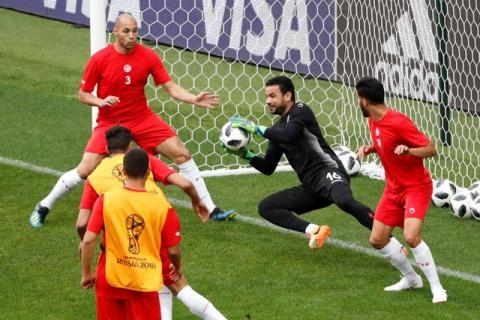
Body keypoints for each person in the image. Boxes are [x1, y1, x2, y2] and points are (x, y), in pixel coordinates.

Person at [30, 12, 235, 228]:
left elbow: (170, 87)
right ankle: (44, 206)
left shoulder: (148, 56)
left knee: (182, 154)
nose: (132, 35)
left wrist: (193, 98)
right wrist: (99, 102)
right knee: (84, 170)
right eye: (126, 31)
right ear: (115, 32)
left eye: (135, 30)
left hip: (142, 117)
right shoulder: (99, 59)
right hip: (111, 123)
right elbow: (83, 94)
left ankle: (211, 209)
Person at [78, 126, 227, 319]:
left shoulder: (95, 178)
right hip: (155, 232)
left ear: (106, 149)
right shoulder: (145, 161)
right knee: (178, 286)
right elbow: (185, 183)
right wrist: (197, 201)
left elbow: (82, 224)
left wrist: (87, 248)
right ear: (130, 146)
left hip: (118, 250)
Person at [224, 76, 375, 249]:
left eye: (272, 96)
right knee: (267, 207)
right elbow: (268, 167)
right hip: (311, 186)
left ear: (288, 96)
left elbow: (289, 134)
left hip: (328, 172)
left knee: (345, 201)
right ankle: (313, 230)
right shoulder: (276, 130)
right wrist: (246, 155)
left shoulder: (301, 111)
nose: (267, 101)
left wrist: (255, 127)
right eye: (266, 96)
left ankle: (386, 237)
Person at [355, 76, 447, 304]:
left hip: (416, 187)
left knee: (411, 236)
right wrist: (372, 149)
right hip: (393, 189)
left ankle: (438, 288)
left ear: (364, 101)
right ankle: (411, 278)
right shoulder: (373, 121)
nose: (358, 102)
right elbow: (388, 143)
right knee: (377, 239)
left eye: (358, 98)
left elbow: (431, 149)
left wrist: (409, 152)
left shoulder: (399, 121)